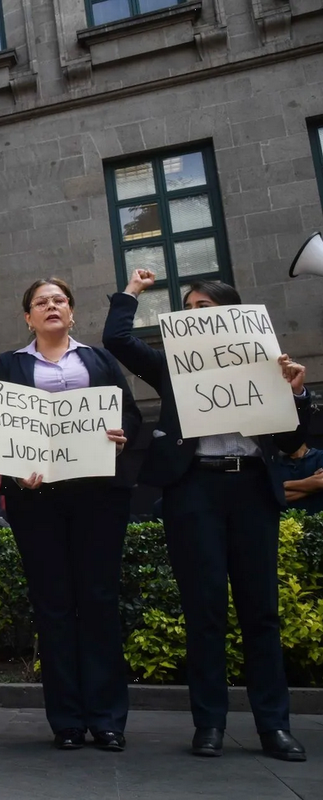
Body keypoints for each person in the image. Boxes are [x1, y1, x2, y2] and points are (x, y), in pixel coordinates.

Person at [103, 270, 311, 762]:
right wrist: (132, 292)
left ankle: (274, 727)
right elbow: (117, 339)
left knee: (262, 613)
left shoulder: (267, 362)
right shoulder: (172, 365)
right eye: (189, 308)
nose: (195, 315)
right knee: (204, 611)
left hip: (252, 489)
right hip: (194, 489)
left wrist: (296, 394)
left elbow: (290, 442)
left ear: (232, 315)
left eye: (205, 308)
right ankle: (209, 724)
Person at [0, 278, 141, 752]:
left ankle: (108, 718)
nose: (51, 306)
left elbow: (130, 414)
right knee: (52, 605)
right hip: (37, 501)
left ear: (72, 311)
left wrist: (120, 435)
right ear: (28, 317)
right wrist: (16, 472)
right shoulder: (10, 363)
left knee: (99, 600)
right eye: (41, 302)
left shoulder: (98, 359)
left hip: (99, 495)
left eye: (59, 300)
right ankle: (67, 721)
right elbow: (3, 425)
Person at [270, 443, 323, 515]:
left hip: (318, 518)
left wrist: (286, 484)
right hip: (288, 519)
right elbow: (277, 496)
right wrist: (315, 487)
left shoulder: (320, 456)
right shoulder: (275, 463)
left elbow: (321, 481)